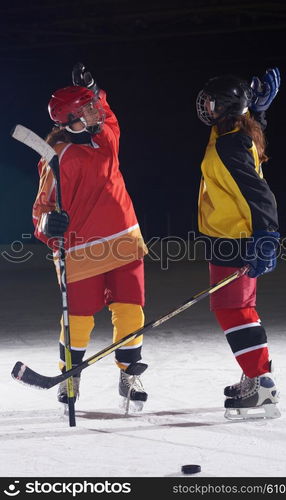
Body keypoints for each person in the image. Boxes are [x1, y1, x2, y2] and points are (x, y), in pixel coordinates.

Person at [32, 63, 148, 412]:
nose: (95, 114)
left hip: (125, 239)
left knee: (130, 310)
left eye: (93, 108)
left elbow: (109, 113)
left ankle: (130, 373)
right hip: (80, 248)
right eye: (86, 111)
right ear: (68, 120)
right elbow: (41, 210)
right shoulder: (56, 158)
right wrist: (49, 225)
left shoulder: (106, 139)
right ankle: (71, 376)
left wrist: (95, 87)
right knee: (79, 318)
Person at [196, 67, 281, 420]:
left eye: (213, 103)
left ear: (229, 107)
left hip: (237, 236)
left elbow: (259, 191)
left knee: (234, 309)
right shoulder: (231, 132)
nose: (207, 108)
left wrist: (267, 235)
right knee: (234, 306)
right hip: (226, 233)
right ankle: (253, 374)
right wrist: (256, 112)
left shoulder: (231, 141)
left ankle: (261, 383)